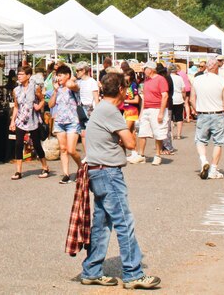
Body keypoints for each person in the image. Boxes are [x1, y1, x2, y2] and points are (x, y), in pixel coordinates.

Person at [71, 73, 161, 289]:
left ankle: (91, 271)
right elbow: (131, 143)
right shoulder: (111, 111)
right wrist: (121, 140)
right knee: (124, 222)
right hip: (108, 173)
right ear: (121, 89)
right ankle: (133, 274)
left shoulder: (101, 108)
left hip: (98, 171)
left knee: (102, 224)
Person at [9, 65, 50, 180]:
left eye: (22, 74)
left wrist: (38, 106)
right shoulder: (16, 90)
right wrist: (12, 121)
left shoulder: (35, 88)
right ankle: (18, 171)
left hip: (33, 119)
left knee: (36, 144)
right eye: (18, 74)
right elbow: (16, 107)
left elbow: (42, 99)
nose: (19, 76)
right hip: (20, 120)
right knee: (18, 144)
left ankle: (45, 166)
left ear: (28, 76)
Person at [191, 57, 224, 180]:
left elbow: (192, 99)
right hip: (218, 113)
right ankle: (213, 169)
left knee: (200, 140)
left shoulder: (197, 79)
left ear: (207, 67)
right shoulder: (222, 81)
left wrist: (196, 109)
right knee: (218, 142)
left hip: (203, 113)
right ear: (216, 67)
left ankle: (203, 161)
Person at [49, 64, 82, 183]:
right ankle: (66, 174)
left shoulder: (72, 86)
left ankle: (81, 167)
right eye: (57, 76)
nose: (58, 78)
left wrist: (69, 78)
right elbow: (51, 104)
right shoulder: (58, 89)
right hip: (60, 121)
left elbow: (73, 85)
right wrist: (55, 90)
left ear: (67, 75)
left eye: (60, 75)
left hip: (72, 121)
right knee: (63, 149)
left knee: (71, 150)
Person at [135, 62, 168, 166]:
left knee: (158, 133)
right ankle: (141, 155)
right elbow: (144, 97)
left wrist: (161, 113)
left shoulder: (161, 79)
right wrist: (141, 112)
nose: (144, 70)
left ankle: (158, 155)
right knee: (142, 133)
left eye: (145, 68)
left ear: (151, 69)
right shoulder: (147, 80)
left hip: (157, 108)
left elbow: (165, 96)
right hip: (147, 109)